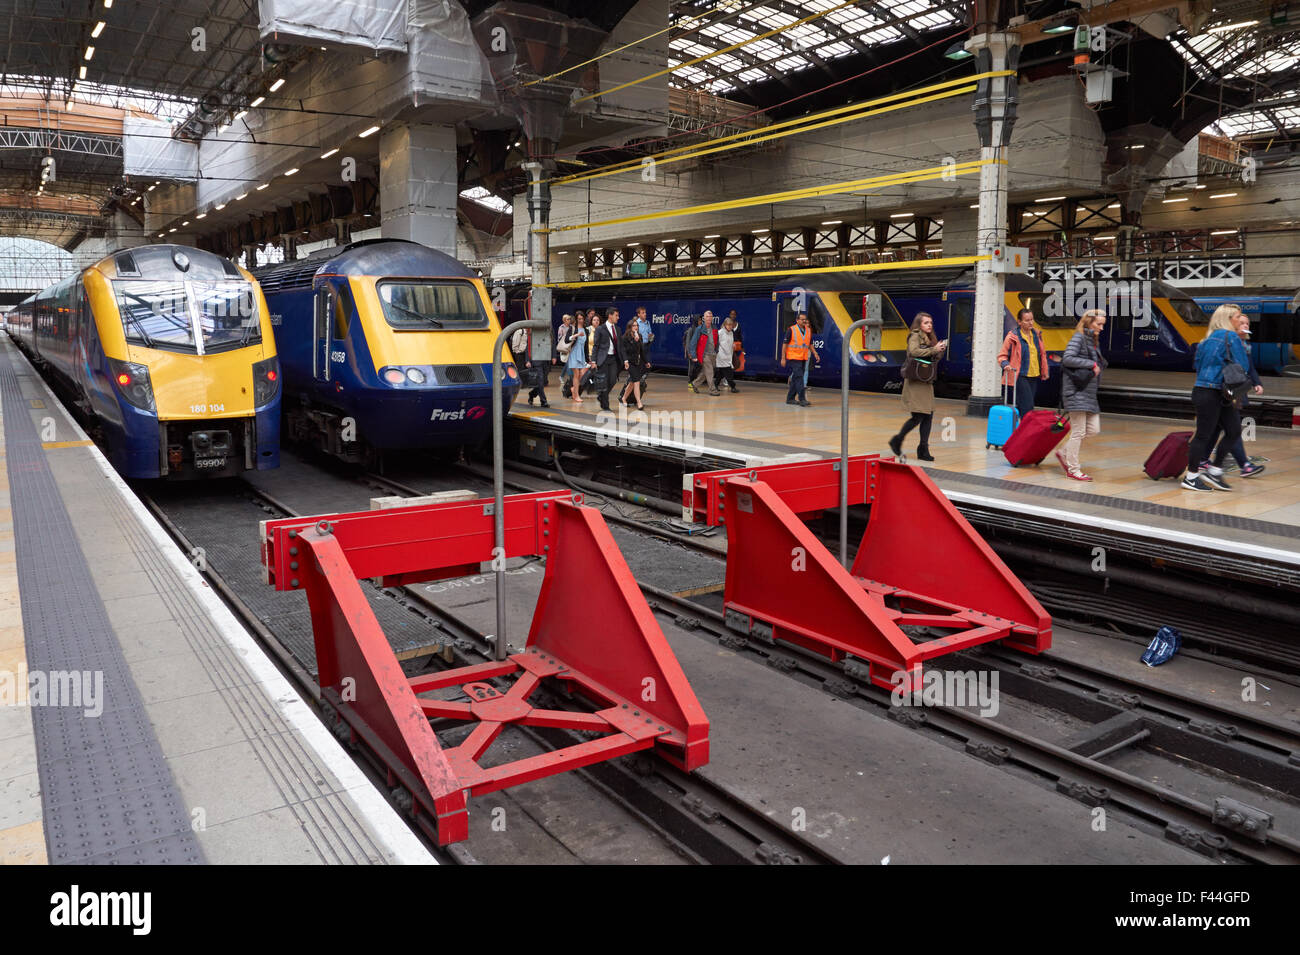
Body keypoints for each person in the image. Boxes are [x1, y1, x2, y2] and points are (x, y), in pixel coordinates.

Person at [1181, 304, 1254, 491]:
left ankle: (1214, 471)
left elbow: (1196, 365)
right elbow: (1243, 366)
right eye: (1238, 316)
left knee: (1231, 430)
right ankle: (1191, 477)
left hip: (1206, 391)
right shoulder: (1231, 337)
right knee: (1211, 434)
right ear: (1229, 319)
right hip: (1215, 392)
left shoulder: (1206, 340)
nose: (1241, 320)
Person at [1210, 307, 1266, 477]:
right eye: (1240, 322)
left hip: (1235, 390)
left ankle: (1204, 461)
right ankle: (1242, 465)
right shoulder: (1228, 342)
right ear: (1231, 323)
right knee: (1230, 430)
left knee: (1221, 430)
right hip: (1227, 392)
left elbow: (1249, 367)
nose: (1244, 325)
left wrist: (1257, 383)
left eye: (1247, 323)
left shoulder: (1245, 345)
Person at [1057, 308, 1108, 482]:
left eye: (1103, 324)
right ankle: (1073, 469)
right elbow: (1067, 358)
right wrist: (1091, 363)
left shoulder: (1093, 340)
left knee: (1093, 429)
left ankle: (1064, 452)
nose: (1101, 328)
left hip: (1088, 392)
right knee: (1078, 431)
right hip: (1076, 391)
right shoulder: (1079, 337)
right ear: (1088, 322)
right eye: (1098, 324)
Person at [888, 312, 946, 460]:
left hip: (925, 381)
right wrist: (933, 349)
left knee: (928, 415)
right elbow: (914, 352)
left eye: (931, 323)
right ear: (919, 324)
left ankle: (923, 449)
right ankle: (897, 440)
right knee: (918, 415)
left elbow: (930, 359)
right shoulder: (915, 336)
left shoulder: (929, 338)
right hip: (916, 382)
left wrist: (939, 351)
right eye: (926, 323)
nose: (929, 325)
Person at [997, 308, 1049, 421]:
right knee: (1028, 406)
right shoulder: (1012, 336)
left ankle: (1021, 430)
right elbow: (1002, 356)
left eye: (1032, 319)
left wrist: (1044, 371)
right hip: (1019, 375)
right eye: (1027, 320)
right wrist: (1005, 364)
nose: (1031, 322)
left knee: (1026, 405)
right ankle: (1026, 432)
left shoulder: (1037, 334)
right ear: (1019, 322)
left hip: (1034, 375)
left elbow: (1042, 354)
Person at [780, 311, 819, 406]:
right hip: (793, 357)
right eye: (802, 319)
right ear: (797, 320)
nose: (804, 321)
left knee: (795, 379)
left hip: (803, 357)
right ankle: (802, 399)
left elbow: (810, 344)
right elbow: (784, 344)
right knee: (799, 377)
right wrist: (783, 358)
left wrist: (815, 353)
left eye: (805, 319)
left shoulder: (808, 330)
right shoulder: (791, 330)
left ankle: (790, 398)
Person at [591, 307, 623, 411]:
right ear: (610, 315)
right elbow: (596, 346)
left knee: (613, 380)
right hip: (603, 359)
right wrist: (594, 361)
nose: (618, 317)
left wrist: (625, 360)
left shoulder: (618, 329)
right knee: (604, 382)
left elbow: (620, 346)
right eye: (616, 315)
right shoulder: (600, 329)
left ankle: (601, 396)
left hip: (613, 359)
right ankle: (606, 405)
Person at [511, 324, 549, 407]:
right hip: (536, 363)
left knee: (541, 383)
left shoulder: (546, 337)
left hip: (545, 362)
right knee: (540, 382)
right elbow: (528, 349)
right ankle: (543, 401)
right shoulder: (532, 338)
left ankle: (532, 394)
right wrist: (528, 360)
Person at [619, 321, 650, 409]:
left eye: (637, 325)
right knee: (637, 381)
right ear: (630, 327)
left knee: (632, 382)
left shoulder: (639, 336)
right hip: (629, 363)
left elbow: (641, 350)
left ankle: (624, 398)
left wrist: (646, 361)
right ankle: (639, 402)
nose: (636, 327)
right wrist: (625, 361)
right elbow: (624, 350)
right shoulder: (625, 337)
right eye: (634, 325)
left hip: (637, 362)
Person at [564, 314, 592, 404]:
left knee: (580, 373)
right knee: (576, 374)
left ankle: (573, 389)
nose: (580, 320)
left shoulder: (586, 330)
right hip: (574, 353)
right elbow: (566, 340)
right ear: (576, 319)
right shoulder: (572, 328)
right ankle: (576, 395)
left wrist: (587, 358)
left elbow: (586, 345)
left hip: (582, 354)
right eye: (578, 318)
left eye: (582, 318)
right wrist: (576, 335)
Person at [691, 310, 720, 396]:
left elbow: (717, 341)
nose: (709, 318)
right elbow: (693, 342)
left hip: (713, 354)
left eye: (710, 317)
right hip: (704, 354)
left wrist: (717, 350)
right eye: (707, 317)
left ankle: (695, 384)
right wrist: (693, 355)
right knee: (710, 371)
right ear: (704, 318)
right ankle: (712, 390)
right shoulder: (699, 329)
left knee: (706, 372)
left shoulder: (714, 328)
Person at [715, 316, 739, 393]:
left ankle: (715, 385)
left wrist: (733, 345)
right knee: (729, 373)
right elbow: (716, 343)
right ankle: (733, 386)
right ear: (725, 324)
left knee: (721, 373)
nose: (730, 326)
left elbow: (730, 342)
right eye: (728, 325)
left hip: (728, 355)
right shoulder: (720, 332)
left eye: (731, 325)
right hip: (722, 356)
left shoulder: (731, 333)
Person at [555, 313, 574, 397]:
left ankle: (564, 376)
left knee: (568, 362)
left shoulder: (571, 327)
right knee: (567, 362)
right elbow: (559, 338)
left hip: (571, 347)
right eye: (567, 319)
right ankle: (568, 377)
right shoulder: (561, 327)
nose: (569, 320)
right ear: (564, 320)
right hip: (565, 347)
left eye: (569, 319)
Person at [684, 314, 702, 388]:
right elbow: (688, 342)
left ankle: (695, 381)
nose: (701, 321)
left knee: (698, 367)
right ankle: (690, 381)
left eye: (701, 320)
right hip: (692, 352)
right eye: (699, 320)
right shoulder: (691, 330)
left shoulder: (701, 329)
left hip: (699, 351)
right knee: (692, 367)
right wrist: (689, 353)